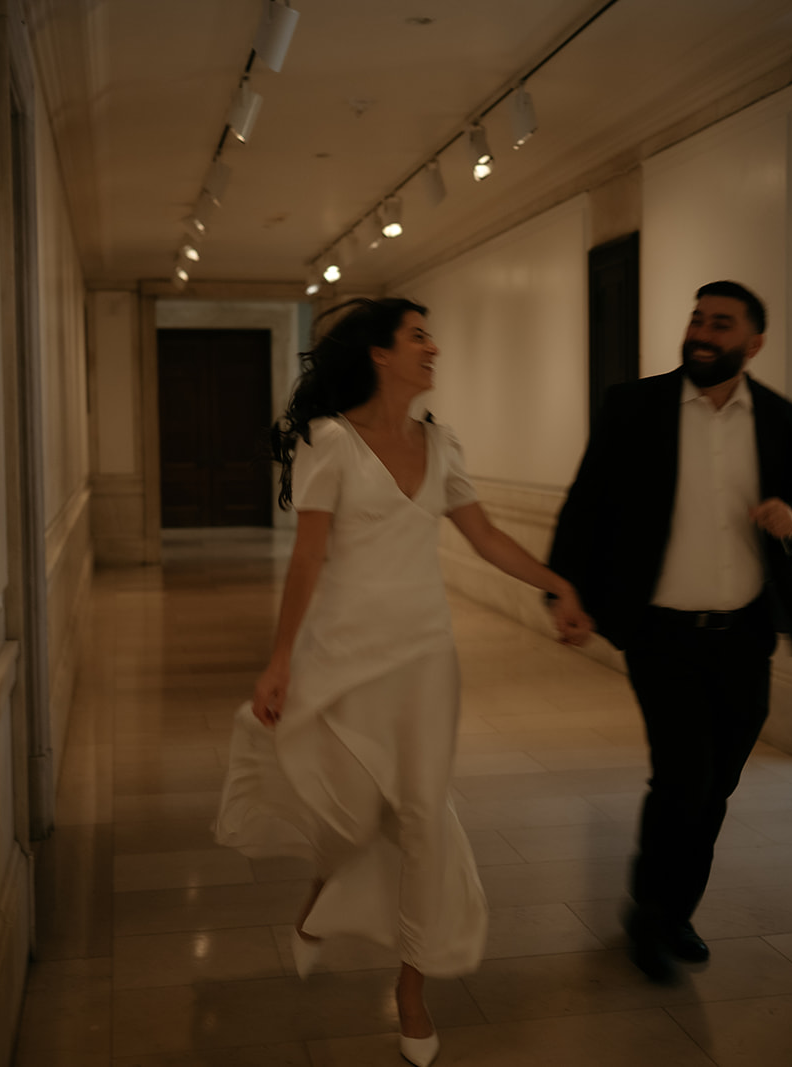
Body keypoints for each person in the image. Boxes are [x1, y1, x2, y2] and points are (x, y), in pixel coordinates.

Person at [214, 297, 591, 1067]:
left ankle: (412, 992)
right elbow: (309, 558)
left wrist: (557, 584)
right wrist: (281, 658)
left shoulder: (440, 443)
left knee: (422, 817)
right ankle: (324, 895)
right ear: (380, 354)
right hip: (342, 661)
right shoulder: (331, 443)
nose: (434, 348)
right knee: (354, 814)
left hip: (423, 661)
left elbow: (484, 537)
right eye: (419, 336)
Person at [547, 280, 792, 984]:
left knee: (718, 782)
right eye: (697, 319)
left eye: (720, 324)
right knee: (682, 776)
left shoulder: (782, 420)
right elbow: (587, 504)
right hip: (662, 632)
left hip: (743, 633)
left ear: (752, 343)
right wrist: (564, 589)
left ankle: (674, 908)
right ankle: (652, 915)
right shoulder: (634, 406)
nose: (702, 332)